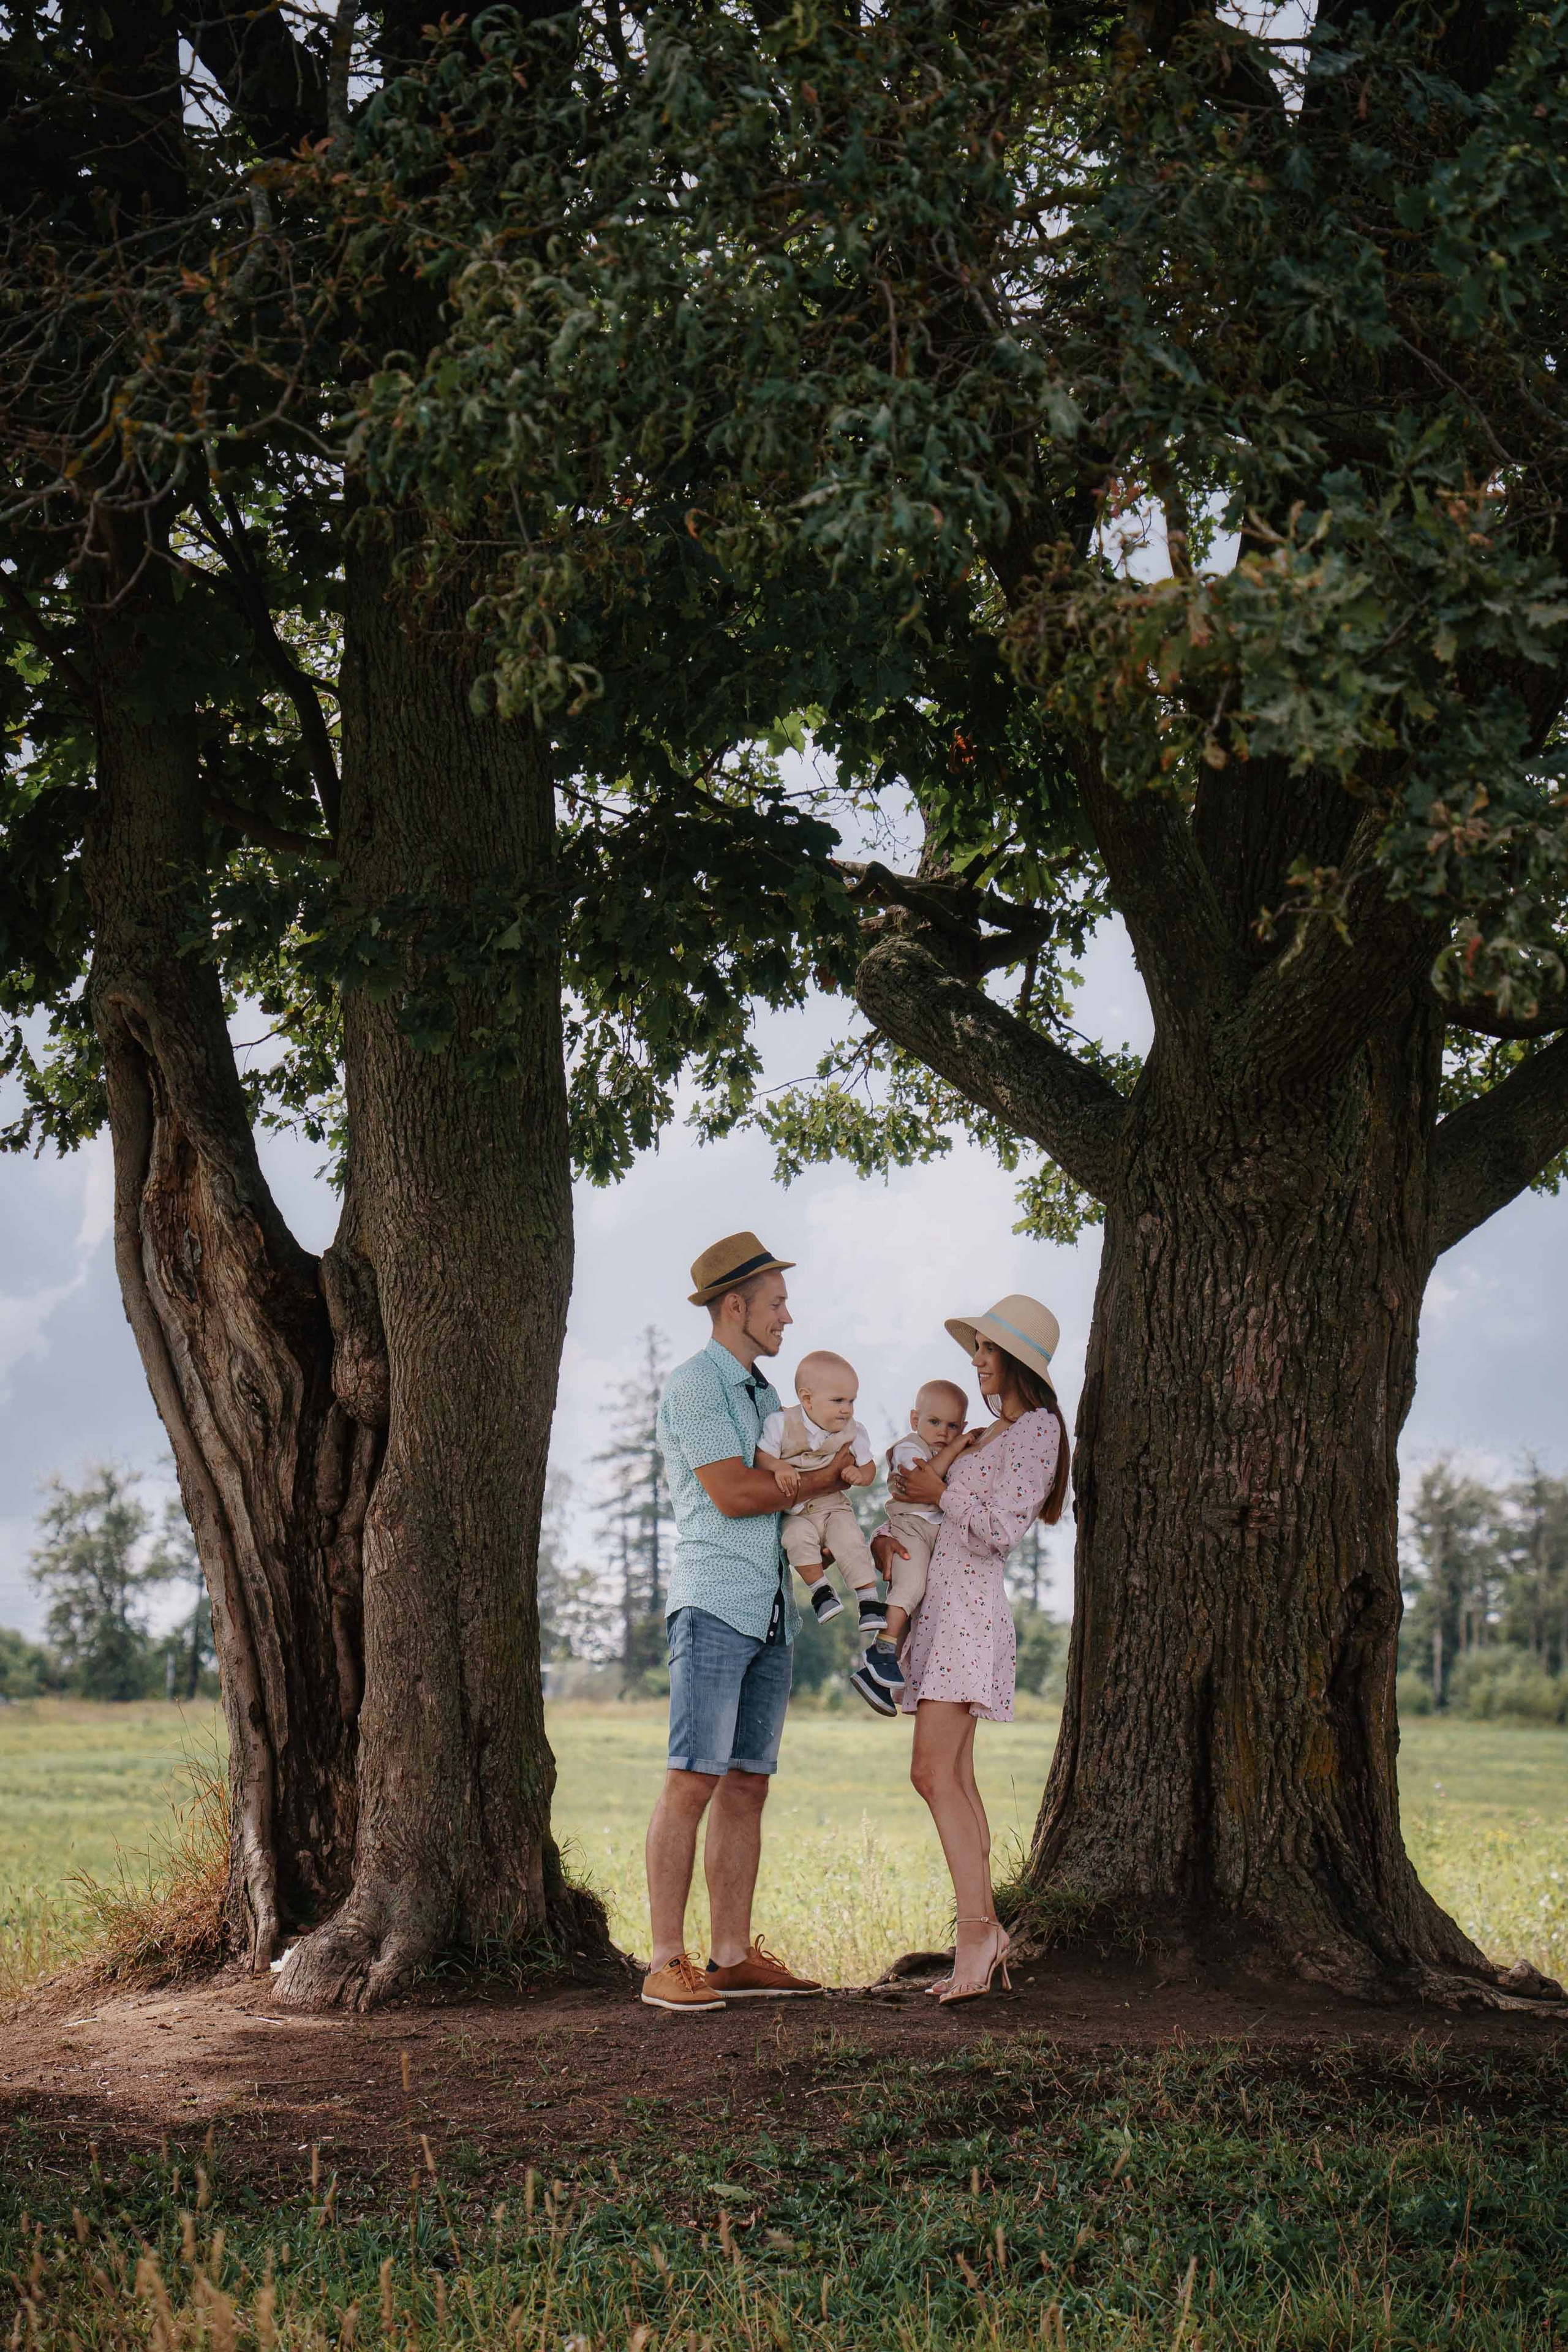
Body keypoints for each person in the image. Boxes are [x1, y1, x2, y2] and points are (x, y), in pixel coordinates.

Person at [640, 1231, 851, 2014]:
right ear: (736, 1306)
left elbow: (799, 1488)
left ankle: (730, 1957)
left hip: (770, 1612)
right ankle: (666, 1961)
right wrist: (826, 1478)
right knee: (693, 1775)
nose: (788, 1316)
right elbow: (733, 1494)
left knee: (747, 1785)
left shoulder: (764, 1397)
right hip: (713, 1603)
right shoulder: (696, 1387)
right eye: (776, 1303)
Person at [863, 1295, 1070, 2005]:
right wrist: (900, 1528)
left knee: (931, 1773)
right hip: (940, 1609)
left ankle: (978, 1933)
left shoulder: (1037, 1431)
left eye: (984, 1350)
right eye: (974, 1350)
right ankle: (983, 1932)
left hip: (969, 1614)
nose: (975, 1361)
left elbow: (1000, 1531)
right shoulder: (989, 1434)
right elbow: (939, 1518)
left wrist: (939, 1487)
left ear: (1015, 1359)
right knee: (953, 1775)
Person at [850, 1377, 971, 1712]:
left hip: (935, 1536)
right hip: (910, 1528)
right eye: (934, 1422)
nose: (943, 1432)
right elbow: (923, 1480)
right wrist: (957, 1448)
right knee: (911, 1585)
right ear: (915, 1420)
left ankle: (877, 1679)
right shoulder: (910, 1447)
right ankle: (881, 1648)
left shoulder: (945, 1449)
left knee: (918, 1609)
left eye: (952, 1426)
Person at [756, 1350, 881, 1634]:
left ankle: (869, 1601)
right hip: (797, 1511)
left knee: (850, 1540)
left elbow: (869, 1467)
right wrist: (778, 1467)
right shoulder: (781, 1424)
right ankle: (820, 1591)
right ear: (807, 1399)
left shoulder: (854, 1431)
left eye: (851, 1401)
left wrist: (860, 1475)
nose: (847, 1409)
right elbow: (761, 1456)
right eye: (838, 1401)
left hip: (833, 1507)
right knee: (795, 1539)